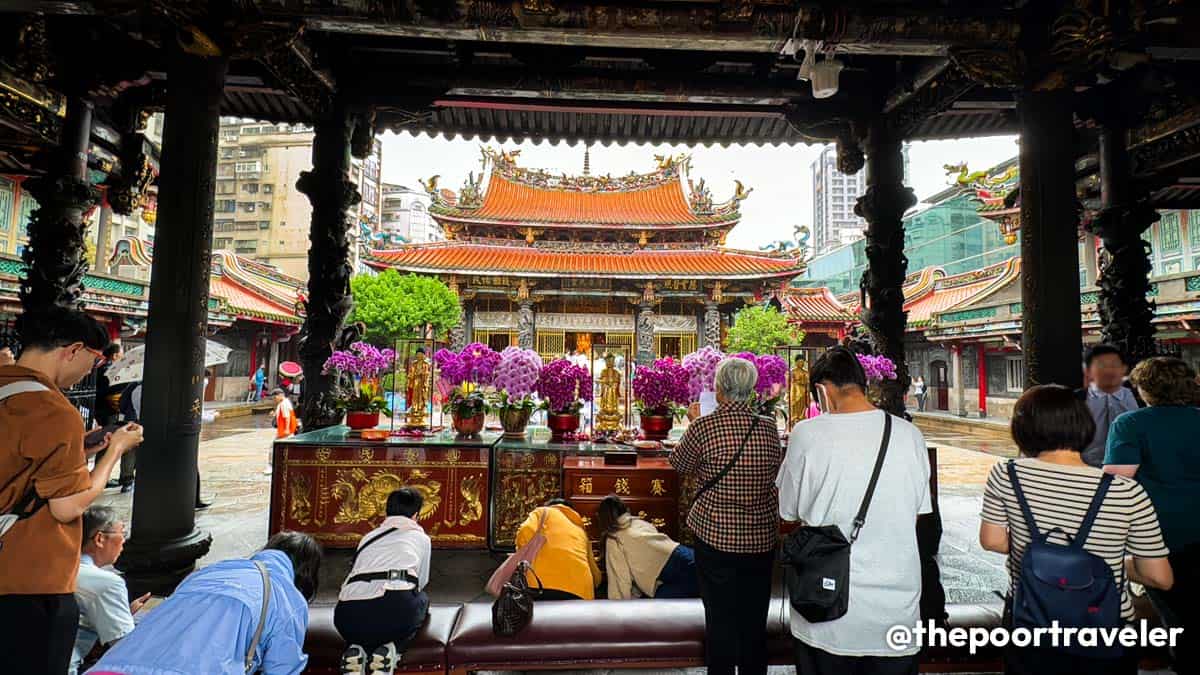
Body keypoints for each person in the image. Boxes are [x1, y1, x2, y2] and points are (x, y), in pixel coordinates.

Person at [981, 384, 1173, 675]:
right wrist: (1106, 561)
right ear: (1084, 425)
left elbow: (992, 541)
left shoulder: (1006, 474)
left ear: (1022, 429)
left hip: (1032, 621)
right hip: (1106, 628)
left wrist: (1051, 553)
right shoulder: (1127, 492)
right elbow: (1159, 577)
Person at [0, 308, 144, 675]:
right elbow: (66, 507)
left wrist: (83, 446)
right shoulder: (52, 409)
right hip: (28, 579)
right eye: (94, 362)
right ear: (73, 349)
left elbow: (20, 460)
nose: (90, 372)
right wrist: (113, 453)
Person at [777, 346, 931, 675]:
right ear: (861, 384)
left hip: (825, 606)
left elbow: (787, 511)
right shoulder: (908, 435)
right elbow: (917, 513)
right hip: (895, 607)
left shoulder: (807, 434)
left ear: (823, 389)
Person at [671, 357, 781, 675]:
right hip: (760, 539)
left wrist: (693, 422)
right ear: (749, 392)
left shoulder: (705, 426)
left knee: (719, 618)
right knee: (754, 618)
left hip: (716, 536)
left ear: (719, 391)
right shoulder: (767, 428)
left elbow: (678, 464)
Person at [90, 531, 322, 675]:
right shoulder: (287, 596)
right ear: (307, 571)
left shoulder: (211, 571)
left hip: (115, 667)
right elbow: (283, 667)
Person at [1104, 357, 1200, 674]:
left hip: (1162, 533)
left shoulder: (1131, 424)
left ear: (1144, 388)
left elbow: (1118, 483)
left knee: (1177, 614)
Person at [335, 488, 431, 675]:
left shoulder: (368, 537)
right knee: (423, 600)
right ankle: (393, 650)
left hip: (345, 617)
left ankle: (356, 649)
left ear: (387, 511)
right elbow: (422, 581)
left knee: (367, 616)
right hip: (395, 610)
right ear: (416, 515)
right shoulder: (421, 538)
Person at [70, 507, 150, 675]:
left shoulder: (59, 570)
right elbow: (127, 648)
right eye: (122, 533)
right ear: (100, 538)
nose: (124, 541)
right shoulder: (108, 583)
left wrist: (122, 613)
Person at [595, 494, 699, 600]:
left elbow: (620, 580)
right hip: (685, 554)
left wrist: (618, 609)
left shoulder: (614, 538)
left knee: (661, 602)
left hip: (672, 570)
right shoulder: (638, 523)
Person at [514, 498, 601, 601]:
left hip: (541, 587)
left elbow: (525, 530)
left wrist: (523, 551)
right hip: (580, 592)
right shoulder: (581, 532)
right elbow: (596, 578)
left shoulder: (542, 512)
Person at [1079, 344, 1139, 467]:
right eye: (1101, 365)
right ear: (1088, 370)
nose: (1109, 370)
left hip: (1132, 468)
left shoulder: (1139, 397)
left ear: (1124, 368)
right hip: (1086, 468)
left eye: (1114, 365)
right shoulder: (1076, 400)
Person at [265, 388, 299, 476]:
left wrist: (287, 429)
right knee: (286, 448)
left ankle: (271, 466)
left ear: (280, 395)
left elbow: (287, 417)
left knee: (273, 447)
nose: (274, 399)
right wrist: (274, 414)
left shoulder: (284, 403)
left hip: (285, 431)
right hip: (286, 430)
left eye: (274, 397)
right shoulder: (283, 403)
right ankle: (284, 465)